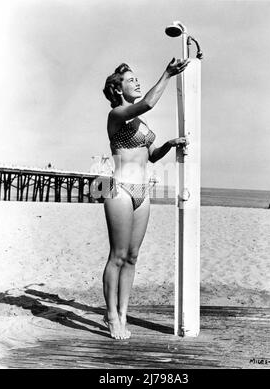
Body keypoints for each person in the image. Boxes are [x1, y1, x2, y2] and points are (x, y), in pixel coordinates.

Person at [101, 58, 189, 339]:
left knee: (133, 257)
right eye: (130, 80)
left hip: (143, 190)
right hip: (120, 189)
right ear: (118, 89)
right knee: (117, 256)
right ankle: (112, 316)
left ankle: (123, 312)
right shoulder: (117, 114)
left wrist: (169, 144)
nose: (136, 82)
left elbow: (151, 155)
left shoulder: (141, 122)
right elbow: (149, 103)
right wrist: (167, 74)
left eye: (137, 79)